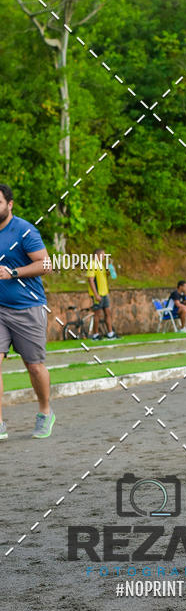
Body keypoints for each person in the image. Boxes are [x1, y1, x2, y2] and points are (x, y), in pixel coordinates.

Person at [0, 184, 56, 440]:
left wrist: (13, 272)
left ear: (9, 204)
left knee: (34, 367)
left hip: (27, 308)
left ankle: (45, 411)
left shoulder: (24, 230)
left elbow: (47, 264)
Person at [87, 248, 117, 339]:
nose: (104, 257)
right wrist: (96, 294)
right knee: (97, 314)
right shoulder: (92, 264)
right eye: (103, 255)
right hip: (98, 294)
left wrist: (110, 269)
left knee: (108, 313)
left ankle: (110, 333)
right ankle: (95, 334)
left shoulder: (100, 265)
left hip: (104, 293)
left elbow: (105, 275)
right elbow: (91, 280)